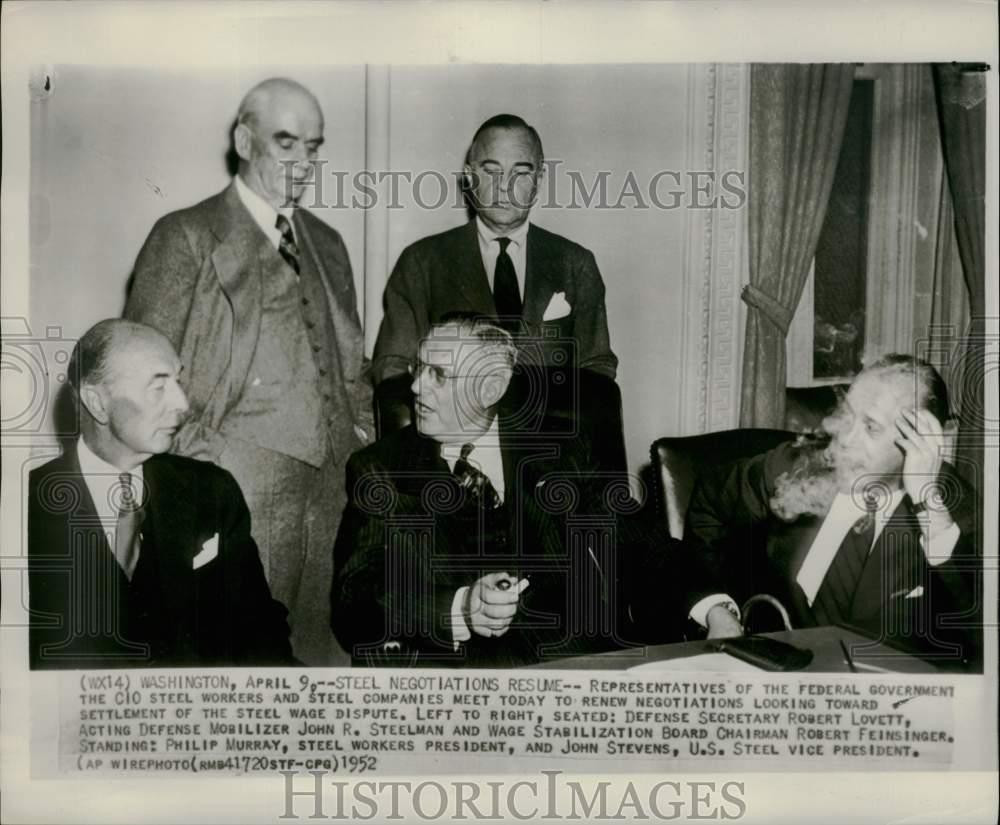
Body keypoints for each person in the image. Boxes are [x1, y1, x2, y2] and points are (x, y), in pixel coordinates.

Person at [124, 78, 372, 665]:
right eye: (286, 142)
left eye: (313, 147)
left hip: (333, 494)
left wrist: (360, 439)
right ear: (244, 139)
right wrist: (205, 471)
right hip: (237, 494)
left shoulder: (330, 243)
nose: (303, 162)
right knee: (242, 668)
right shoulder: (184, 236)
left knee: (323, 663)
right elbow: (141, 379)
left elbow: (352, 364)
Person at [333, 314, 654, 667]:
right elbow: (354, 603)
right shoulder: (381, 469)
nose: (416, 387)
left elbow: (637, 540)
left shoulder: (562, 449)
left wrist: (711, 606)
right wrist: (460, 607)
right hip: (453, 685)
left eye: (438, 374)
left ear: (491, 388)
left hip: (567, 668)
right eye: (418, 367)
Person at [685, 355, 981, 670]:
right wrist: (718, 608)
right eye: (847, 416)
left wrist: (927, 504)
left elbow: (981, 646)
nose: (846, 440)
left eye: (871, 427)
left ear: (924, 442)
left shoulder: (951, 513)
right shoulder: (794, 469)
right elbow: (707, 507)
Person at [28, 320, 294, 669]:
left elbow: (259, 629)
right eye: (158, 387)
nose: (182, 403)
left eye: (178, 382)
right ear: (97, 402)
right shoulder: (21, 507)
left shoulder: (211, 492)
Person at [371, 114, 624, 471]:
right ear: (470, 176)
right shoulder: (422, 262)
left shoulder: (574, 263)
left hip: (550, 460)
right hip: (455, 459)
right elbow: (392, 369)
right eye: (491, 171)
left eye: (521, 172)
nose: (505, 186)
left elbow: (597, 370)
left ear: (538, 180)